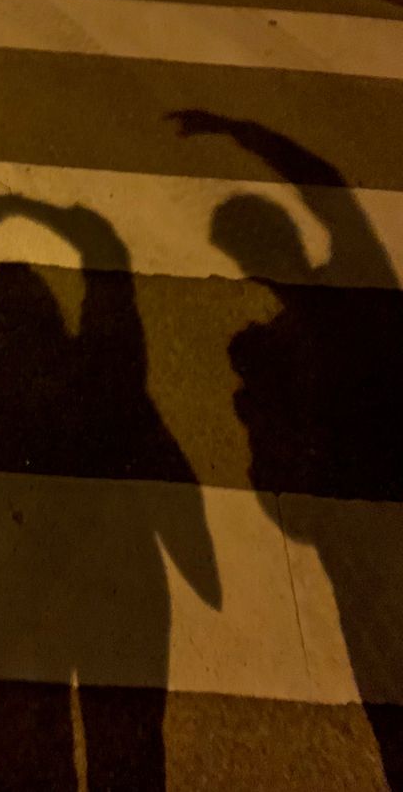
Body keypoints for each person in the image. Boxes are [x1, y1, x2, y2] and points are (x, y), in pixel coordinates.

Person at [0, 195, 221, 791]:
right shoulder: (108, 374)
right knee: (126, 753)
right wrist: (21, 206)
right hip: (119, 583)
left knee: (21, 755)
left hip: (13, 593)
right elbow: (106, 251)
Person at [170, 110, 403, 789]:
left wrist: (236, 129)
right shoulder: (354, 286)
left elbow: (288, 489)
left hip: (363, 554)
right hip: (356, 553)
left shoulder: (342, 296)